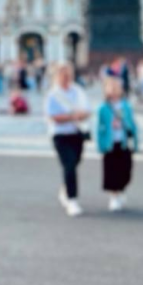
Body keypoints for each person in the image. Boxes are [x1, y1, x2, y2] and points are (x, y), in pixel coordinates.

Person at [45, 62, 90, 217]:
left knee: (75, 162)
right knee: (69, 165)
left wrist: (76, 116)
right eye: (62, 74)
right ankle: (72, 200)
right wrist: (72, 116)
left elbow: (87, 111)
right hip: (60, 135)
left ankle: (66, 187)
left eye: (68, 74)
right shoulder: (53, 94)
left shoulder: (78, 91)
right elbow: (53, 117)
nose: (65, 77)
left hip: (77, 133)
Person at [95, 76, 138, 212]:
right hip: (110, 144)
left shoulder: (125, 106)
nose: (114, 90)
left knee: (125, 170)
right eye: (111, 87)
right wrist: (100, 144)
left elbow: (132, 125)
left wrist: (135, 141)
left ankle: (121, 189)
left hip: (123, 142)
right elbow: (98, 128)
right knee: (111, 171)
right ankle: (114, 196)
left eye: (116, 87)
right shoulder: (103, 108)